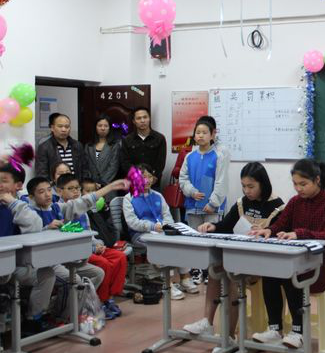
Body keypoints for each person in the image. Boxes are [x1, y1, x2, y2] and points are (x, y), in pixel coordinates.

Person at [183, 162, 284, 337]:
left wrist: (264, 233)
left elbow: (279, 234)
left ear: (263, 184)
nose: (246, 191)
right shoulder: (242, 203)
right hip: (241, 257)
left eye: (251, 186)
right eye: (243, 186)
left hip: (264, 263)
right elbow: (226, 225)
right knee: (216, 268)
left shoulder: (277, 206)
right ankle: (207, 321)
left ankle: (229, 335)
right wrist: (213, 227)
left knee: (231, 276)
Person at [252, 159, 325, 349]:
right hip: (298, 259)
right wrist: (269, 230)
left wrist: (300, 233)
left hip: (322, 263)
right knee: (270, 273)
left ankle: (298, 331)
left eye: (303, 184)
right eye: (295, 184)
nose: (298, 189)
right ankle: (274, 329)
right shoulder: (295, 202)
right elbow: (281, 224)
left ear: (317, 180)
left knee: (291, 275)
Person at [57, 173, 127, 319]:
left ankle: (109, 297)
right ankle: (101, 300)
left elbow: (89, 233)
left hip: (90, 247)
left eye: (77, 188)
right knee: (103, 264)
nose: (75, 191)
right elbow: (69, 241)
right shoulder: (59, 210)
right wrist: (93, 249)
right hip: (77, 253)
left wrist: (98, 244)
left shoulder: (83, 211)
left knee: (119, 257)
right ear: (59, 191)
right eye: (71, 188)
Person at [123, 164, 198, 299]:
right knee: (162, 247)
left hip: (161, 232)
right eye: (143, 177)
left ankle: (185, 278)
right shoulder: (129, 198)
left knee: (181, 243)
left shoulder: (158, 196)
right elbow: (132, 222)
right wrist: (152, 226)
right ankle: (168, 284)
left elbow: (167, 215)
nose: (147, 180)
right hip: (140, 234)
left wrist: (165, 226)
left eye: (149, 176)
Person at [0, 163, 56, 334]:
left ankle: (32, 319)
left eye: (3, 181)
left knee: (47, 274)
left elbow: (36, 226)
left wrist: (12, 203)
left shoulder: (20, 205)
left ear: (18, 186)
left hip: (14, 265)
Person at [179, 116, 229, 230]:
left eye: (204, 133)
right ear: (194, 136)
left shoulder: (218, 156)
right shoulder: (189, 156)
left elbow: (221, 182)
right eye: (198, 133)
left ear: (212, 135)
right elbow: (183, 178)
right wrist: (191, 192)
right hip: (192, 207)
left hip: (212, 209)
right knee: (194, 237)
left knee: (210, 237)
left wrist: (213, 204)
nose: (201, 135)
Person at [120, 107, 167, 191]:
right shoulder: (127, 140)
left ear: (149, 118)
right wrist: (137, 176)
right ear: (134, 121)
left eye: (145, 117)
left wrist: (152, 176)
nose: (142, 121)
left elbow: (160, 162)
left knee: (154, 200)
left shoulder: (160, 138)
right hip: (134, 182)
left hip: (153, 183)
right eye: (138, 118)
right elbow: (125, 162)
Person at [35, 112, 89, 182]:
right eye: (60, 126)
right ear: (52, 128)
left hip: (75, 186)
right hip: (55, 187)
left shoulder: (77, 145)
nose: (64, 130)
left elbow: (84, 169)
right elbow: (42, 173)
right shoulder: (44, 147)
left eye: (67, 127)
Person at [85, 115, 122, 200]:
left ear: (109, 128)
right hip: (91, 188)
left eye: (106, 126)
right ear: (95, 127)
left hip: (108, 186)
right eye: (100, 125)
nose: (103, 128)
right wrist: (93, 183)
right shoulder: (88, 146)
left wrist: (101, 183)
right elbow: (86, 166)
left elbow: (113, 166)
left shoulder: (114, 145)